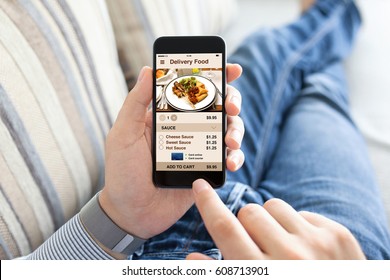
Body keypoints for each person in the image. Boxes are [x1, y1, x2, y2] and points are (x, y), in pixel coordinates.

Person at [26, 0, 390, 260]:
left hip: (155, 226)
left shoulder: (133, 206)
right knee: (318, 95)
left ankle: (328, 16)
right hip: (314, 246)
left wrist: (120, 216)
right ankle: (333, 13)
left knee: (263, 54)